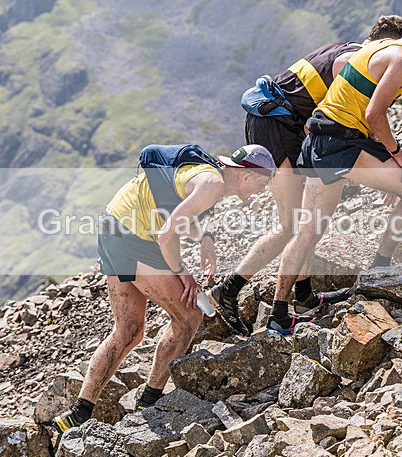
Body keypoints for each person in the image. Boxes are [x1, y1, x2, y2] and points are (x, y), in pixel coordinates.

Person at [53, 144, 275, 433]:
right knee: (189, 316)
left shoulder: (209, 175)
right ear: (247, 175)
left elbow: (175, 208)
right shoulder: (213, 185)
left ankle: (77, 414)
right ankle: (149, 403)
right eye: (262, 182)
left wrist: (204, 236)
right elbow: (167, 232)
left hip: (114, 226)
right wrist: (182, 272)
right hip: (135, 238)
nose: (261, 191)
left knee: (129, 330)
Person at [209, 15, 402, 336]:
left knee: (305, 220)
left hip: (281, 123)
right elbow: (330, 120)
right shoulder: (352, 63)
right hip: (278, 126)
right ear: (387, 45)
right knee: (291, 225)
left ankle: (303, 296)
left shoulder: (352, 52)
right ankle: (229, 290)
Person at [269, 5, 402, 333]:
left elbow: (357, 103)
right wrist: (399, 158)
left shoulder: (378, 46)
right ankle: (379, 270)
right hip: (341, 143)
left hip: (320, 137)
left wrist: (387, 176)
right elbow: (374, 114)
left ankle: (278, 314)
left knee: (309, 231)